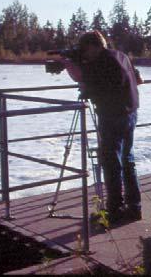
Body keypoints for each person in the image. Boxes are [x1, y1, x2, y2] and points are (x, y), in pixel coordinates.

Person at [55, 30, 142, 224]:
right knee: (127, 159)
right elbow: (138, 79)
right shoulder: (120, 55)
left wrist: (68, 64)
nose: (84, 55)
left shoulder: (102, 60)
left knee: (111, 162)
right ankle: (134, 208)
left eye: (85, 51)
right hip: (130, 112)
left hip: (113, 115)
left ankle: (115, 210)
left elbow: (80, 77)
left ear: (93, 47)